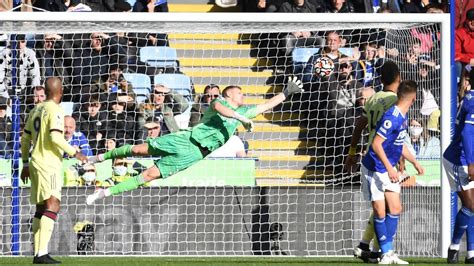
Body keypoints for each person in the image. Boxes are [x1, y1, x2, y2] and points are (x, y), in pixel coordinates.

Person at [85, 77, 303, 204]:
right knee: (139, 150)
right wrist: (240, 118)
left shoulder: (245, 110)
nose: (243, 96)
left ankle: (104, 193)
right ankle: (99, 157)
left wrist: (286, 93)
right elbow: (220, 109)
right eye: (239, 93)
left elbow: (266, 106)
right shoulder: (218, 101)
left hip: (195, 154)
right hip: (185, 139)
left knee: (148, 176)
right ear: (229, 95)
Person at [20, 77, 87, 264]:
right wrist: (76, 153)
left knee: (41, 207)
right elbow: (56, 138)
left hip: (34, 162)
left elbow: (25, 140)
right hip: (48, 164)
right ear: (61, 91)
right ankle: (41, 254)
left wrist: (25, 164)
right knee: (53, 204)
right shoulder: (55, 110)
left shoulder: (36, 109)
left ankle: (39, 253)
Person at [361, 80, 424, 264]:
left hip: (388, 168)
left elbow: (398, 144)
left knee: (395, 208)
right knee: (380, 211)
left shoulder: (402, 116)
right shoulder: (392, 117)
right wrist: (390, 168)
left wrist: (414, 162)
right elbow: (376, 144)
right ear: (413, 99)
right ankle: (385, 253)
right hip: (376, 167)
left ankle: (386, 252)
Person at [345, 61, 401, 262]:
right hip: (385, 159)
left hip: (371, 156)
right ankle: (383, 251)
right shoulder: (396, 100)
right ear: (399, 78)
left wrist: (352, 152)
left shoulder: (373, 98)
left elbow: (359, 126)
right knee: (385, 208)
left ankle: (366, 247)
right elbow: (395, 133)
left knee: (383, 207)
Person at [444, 71, 474, 264]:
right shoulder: (472, 102)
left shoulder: (469, 97)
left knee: (472, 206)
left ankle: (471, 252)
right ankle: (454, 248)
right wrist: (471, 163)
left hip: (467, 157)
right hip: (459, 159)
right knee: (471, 206)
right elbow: (466, 133)